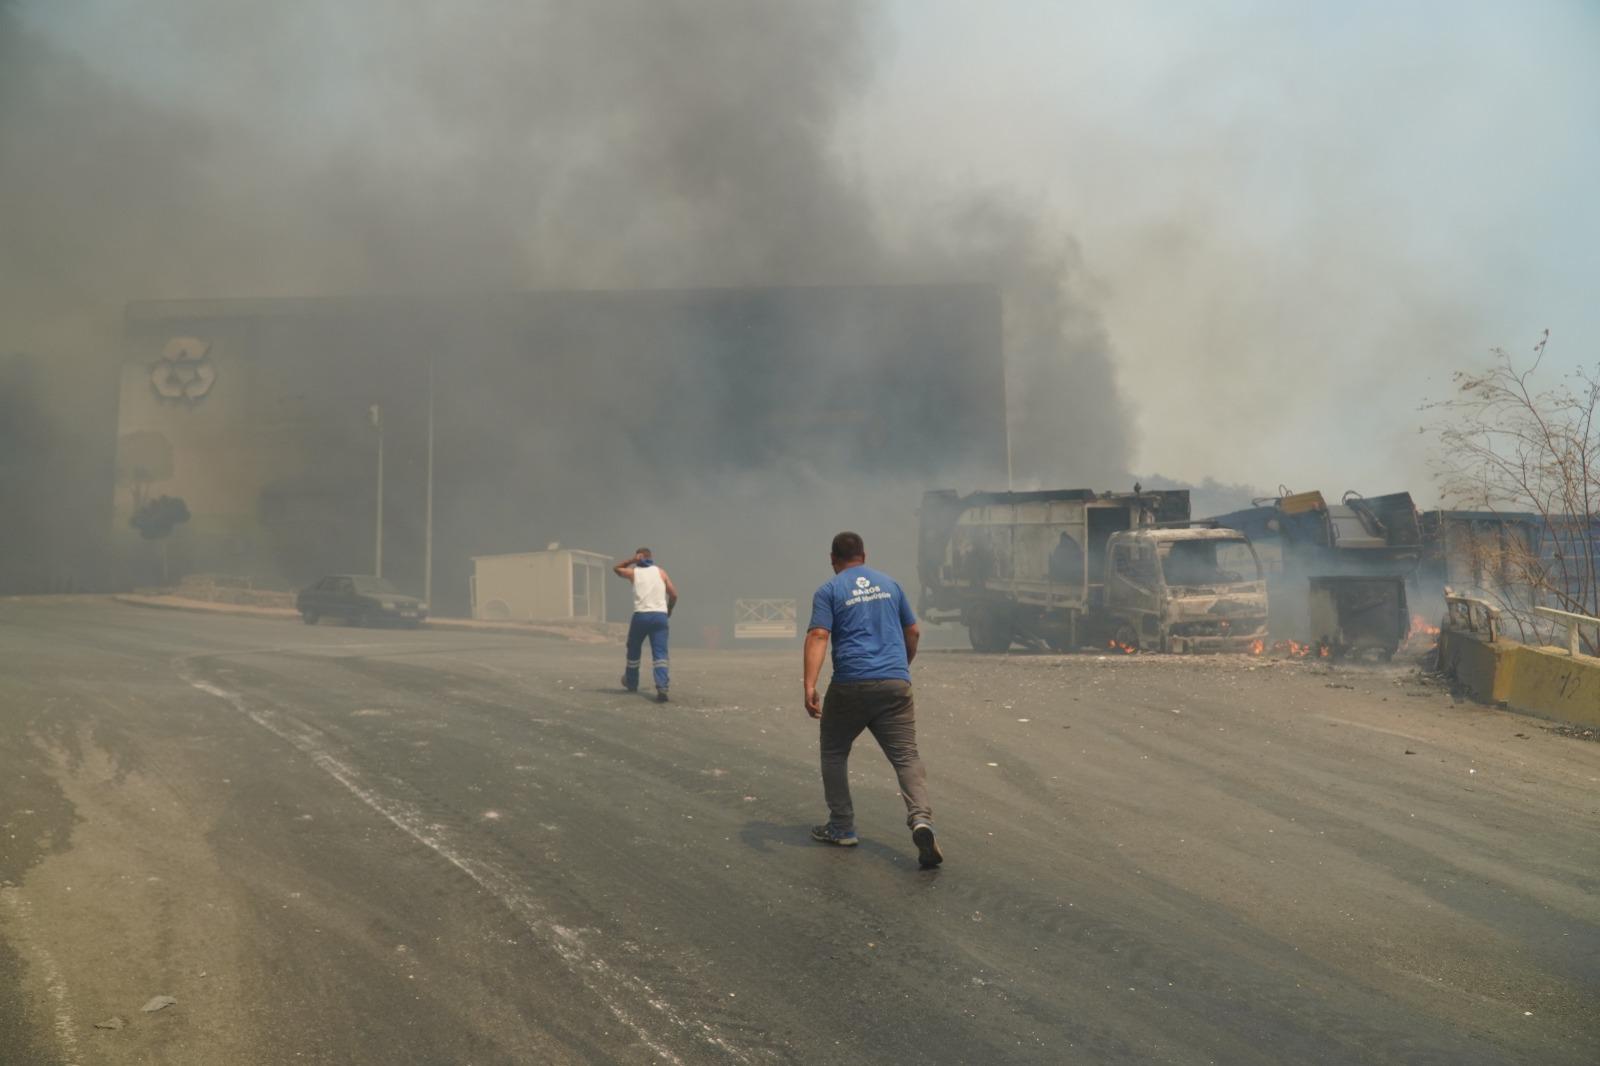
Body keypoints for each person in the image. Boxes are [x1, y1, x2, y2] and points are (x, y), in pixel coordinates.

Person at [803, 531, 942, 868]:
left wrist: (809, 685)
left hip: (850, 685)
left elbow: (819, 635)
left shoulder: (829, 590)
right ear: (863, 556)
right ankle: (921, 819)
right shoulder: (891, 585)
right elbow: (913, 631)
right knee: (906, 756)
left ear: (833, 560)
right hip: (894, 684)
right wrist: (901, 666)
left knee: (834, 751)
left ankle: (842, 826)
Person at [614, 548, 677, 702]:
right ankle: (662, 688)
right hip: (660, 617)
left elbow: (616, 569)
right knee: (660, 654)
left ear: (638, 558)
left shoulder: (634, 573)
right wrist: (668, 610)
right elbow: (674, 594)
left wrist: (631, 561)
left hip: (641, 616)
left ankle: (631, 682)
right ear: (651, 557)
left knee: (634, 649)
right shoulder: (661, 572)